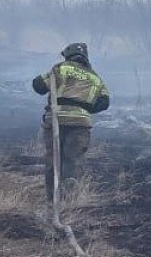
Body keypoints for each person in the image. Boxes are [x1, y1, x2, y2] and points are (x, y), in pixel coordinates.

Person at [32, 43, 110, 202]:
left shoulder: (61, 68)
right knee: (73, 162)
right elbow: (104, 102)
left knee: (53, 161)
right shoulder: (95, 77)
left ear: (68, 55)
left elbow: (39, 85)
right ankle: (69, 201)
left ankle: (52, 200)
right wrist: (84, 108)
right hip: (81, 124)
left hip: (56, 120)